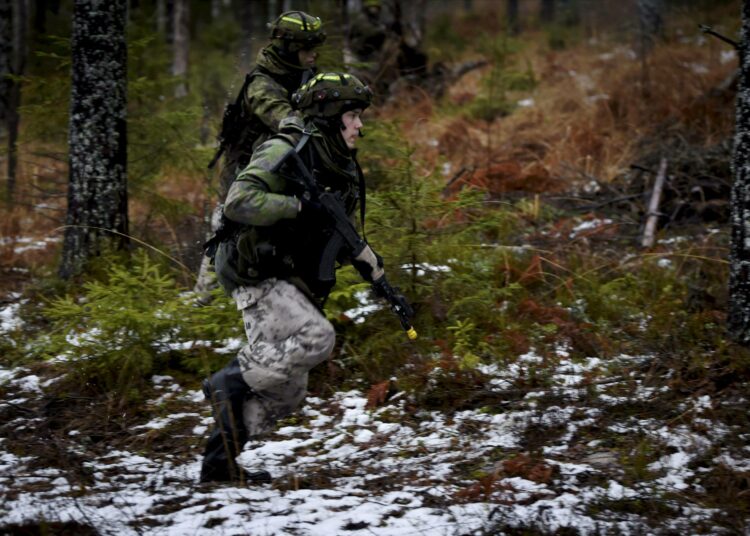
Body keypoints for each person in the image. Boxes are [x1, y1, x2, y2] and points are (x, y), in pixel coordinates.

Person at [199, 72, 394, 485]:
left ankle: (219, 464)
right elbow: (239, 201)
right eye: (353, 116)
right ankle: (227, 380)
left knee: (288, 392)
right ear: (328, 116)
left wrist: (360, 256)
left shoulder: (336, 161)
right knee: (317, 338)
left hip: (284, 276)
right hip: (255, 272)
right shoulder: (286, 147)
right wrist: (298, 207)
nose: (360, 125)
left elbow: (323, 231)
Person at [195, 10, 327, 300]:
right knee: (225, 230)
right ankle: (204, 302)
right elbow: (286, 120)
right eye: (307, 49)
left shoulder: (302, 73)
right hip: (245, 170)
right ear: (289, 49)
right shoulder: (262, 85)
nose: (313, 55)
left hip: (280, 166)